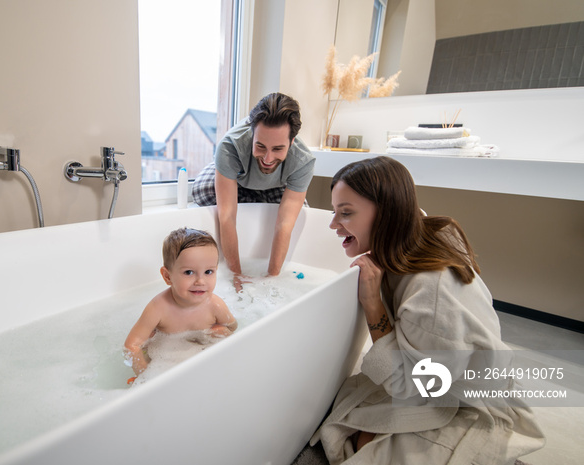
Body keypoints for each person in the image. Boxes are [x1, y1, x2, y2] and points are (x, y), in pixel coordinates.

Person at [310, 157, 544, 464]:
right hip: (442, 375)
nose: (332, 224)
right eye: (334, 211)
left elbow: (419, 385)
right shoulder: (418, 233)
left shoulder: (430, 292)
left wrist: (372, 303)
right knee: (351, 413)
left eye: (346, 213)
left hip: (459, 397)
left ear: (387, 215)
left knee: (359, 438)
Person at [192, 92, 315, 289]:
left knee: (302, 211)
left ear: (291, 142)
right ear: (251, 135)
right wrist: (236, 275)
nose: (267, 158)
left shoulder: (303, 161)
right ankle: (250, 194)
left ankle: (255, 195)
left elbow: (284, 224)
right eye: (260, 146)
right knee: (202, 189)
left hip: (276, 184)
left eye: (277, 149)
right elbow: (227, 216)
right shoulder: (229, 146)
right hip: (237, 179)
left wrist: (272, 277)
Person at [123, 227, 237, 377]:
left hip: (202, 357)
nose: (200, 281)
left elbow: (233, 327)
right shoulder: (158, 308)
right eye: (189, 272)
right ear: (167, 276)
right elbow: (132, 345)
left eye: (208, 272)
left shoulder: (215, 305)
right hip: (165, 360)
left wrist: (223, 332)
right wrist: (145, 376)